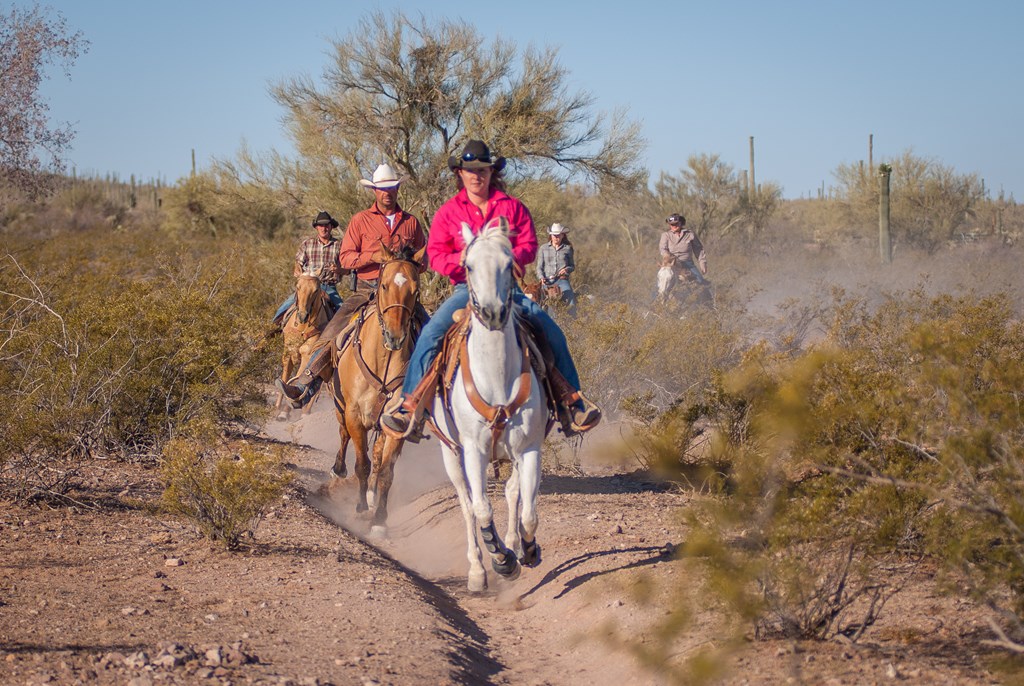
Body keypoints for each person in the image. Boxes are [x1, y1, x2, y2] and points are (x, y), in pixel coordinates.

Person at [381, 139, 601, 438]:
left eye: (482, 169)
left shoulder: (512, 207)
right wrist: (460, 261)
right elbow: (436, 253)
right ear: (460, 173)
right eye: (470, 170)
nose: (477, 175)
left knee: (550, 331)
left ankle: (572, 403)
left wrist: (509, 258)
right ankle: (410, 406)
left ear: (491, 172)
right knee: (431, 334)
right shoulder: (448, 212)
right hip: (465, 289)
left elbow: (529, 245)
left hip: (508, 289)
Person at [276, 164, 428, 408]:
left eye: (391, 187)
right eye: (382, 189)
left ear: (397, 189)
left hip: (400, 296)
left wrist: (408, 267)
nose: (387, 193)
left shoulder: (411, 223)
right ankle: (306, 384)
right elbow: (346, 259)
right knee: (333, 331)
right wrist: (372, 257)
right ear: (374, 191)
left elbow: (424, 261)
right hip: (367, 290)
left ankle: (437, 391)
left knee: (430, 332)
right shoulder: (360, 220)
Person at [272, 211, 345, 325]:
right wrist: (298, 270)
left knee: (342, 310)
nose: (324, 228)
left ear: (331, 227)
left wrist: (338, 269)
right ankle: (276, 326)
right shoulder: (307, 243)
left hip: (328, 286)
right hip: (307, 285)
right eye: (321, 225)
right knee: (287, 305)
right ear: (316, 227)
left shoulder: (339, 246)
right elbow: (298, 263)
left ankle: (341, 332)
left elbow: (348, 269)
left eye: (326, 225)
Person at [658, 213, 709, 302]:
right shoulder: (666, 235)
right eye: (672, 224)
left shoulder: (690, 234)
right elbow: (663, 249)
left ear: (681, 223)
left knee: (701, 282)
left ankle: (709, 304)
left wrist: (702, 263)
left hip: (687, 264)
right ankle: (655, 303)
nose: (674, 226)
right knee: (661, 283)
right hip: (671, 264)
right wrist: (667, 257)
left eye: (676, 223)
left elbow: (698, 249)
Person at [536, 222, 578, 317]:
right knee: (538, 302)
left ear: (562, 235)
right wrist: (541, 277)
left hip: (562, 280)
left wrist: (566, 269)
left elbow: (572, 266)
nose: (556, 237)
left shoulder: (568, 249)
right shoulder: (543, 248)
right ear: (551, 236)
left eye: (558, 235)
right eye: (554, 235)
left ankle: (572, 320)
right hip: (546, 281)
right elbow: (539, 267)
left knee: (570, 300)